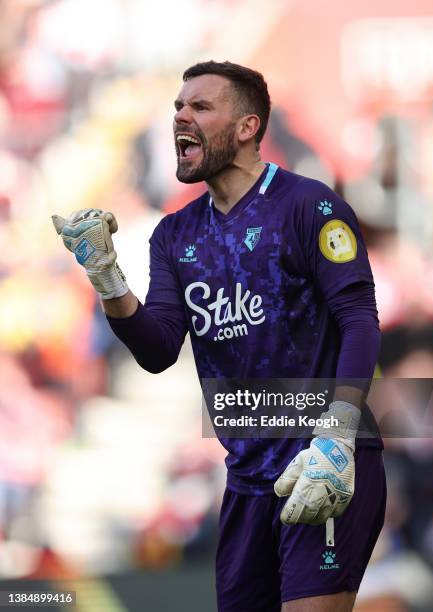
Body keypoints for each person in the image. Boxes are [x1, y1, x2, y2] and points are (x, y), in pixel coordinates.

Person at [52, 61, 386, 612]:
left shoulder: (308, 205)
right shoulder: (175, 234)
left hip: (323, 460)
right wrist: (107, 277)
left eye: (200, 106)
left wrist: (338, 433)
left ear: (247, 127)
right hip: (246, 478)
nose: (181, 115)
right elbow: (158, 350)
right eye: (178, 108)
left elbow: (359, 321)